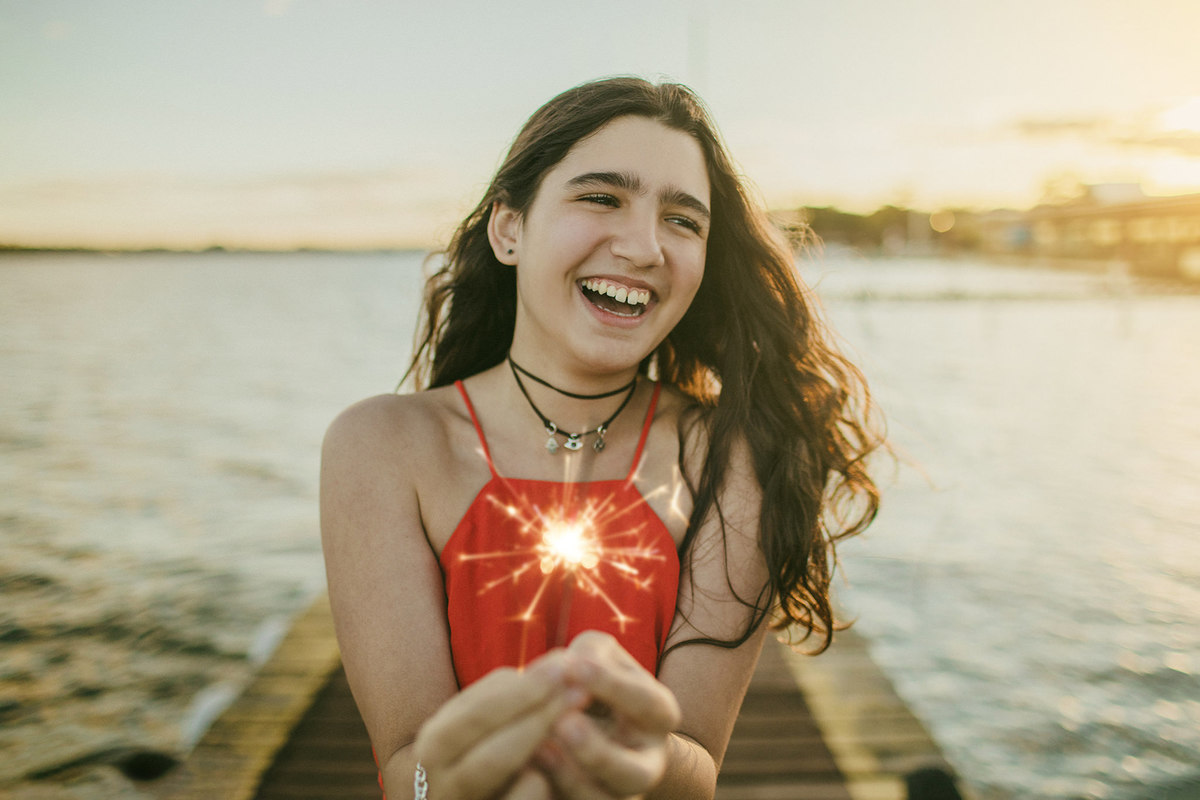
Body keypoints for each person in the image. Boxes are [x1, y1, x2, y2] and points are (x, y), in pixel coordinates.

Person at [320, 76, 882, 800]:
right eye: (600, 197)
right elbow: (407, 769)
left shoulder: (729, 455)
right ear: (509, 228)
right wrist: (449, 780)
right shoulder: (382, 447)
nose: (644, 246)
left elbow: (698, 766)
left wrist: (644, 756)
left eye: (683, 220)